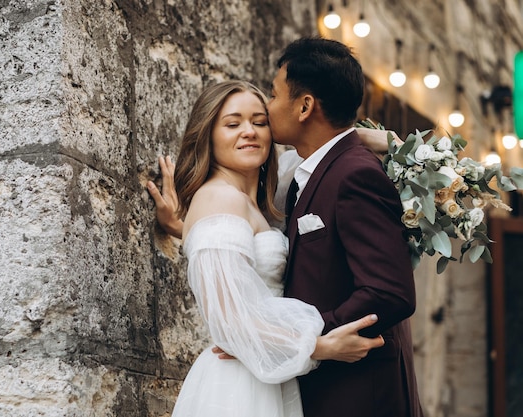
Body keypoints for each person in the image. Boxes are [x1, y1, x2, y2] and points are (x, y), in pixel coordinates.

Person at [149, 37, 423, 417]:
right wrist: (314, 342)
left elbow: (387, 289)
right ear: (209, 133)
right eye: (232, 123)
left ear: (306, 106)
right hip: (246, 379)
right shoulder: (221, 199)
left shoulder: (288, 187)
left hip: (288, 373)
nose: (253, 129)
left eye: (263, 114)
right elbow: (230, 314)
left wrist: (366, 136)